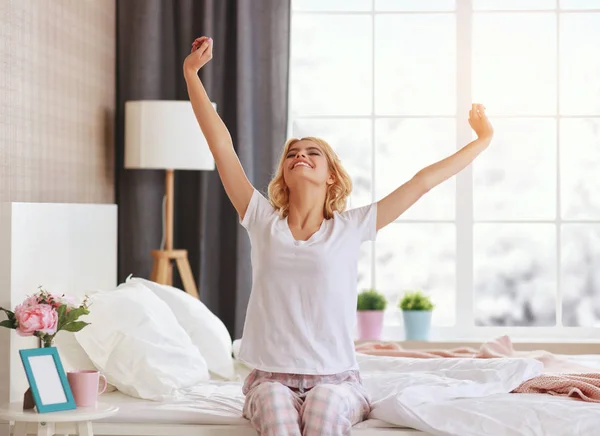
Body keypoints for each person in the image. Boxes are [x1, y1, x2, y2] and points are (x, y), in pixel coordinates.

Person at [183, 36, 494, 436]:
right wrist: (192, 74)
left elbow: (422, 182)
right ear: (284, 174)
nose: (300, 156)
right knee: (279, 418)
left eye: (313, 153)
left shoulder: (351, 227)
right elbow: (221, 146)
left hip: (336, 380)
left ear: (330, 175)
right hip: (269, 379)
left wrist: (481, 141)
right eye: (293, 153)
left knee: (323, 413)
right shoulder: (261, 218)